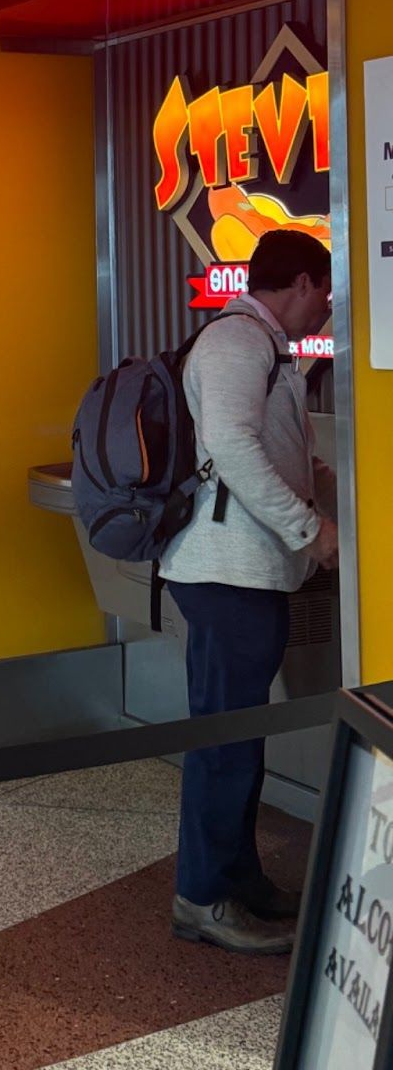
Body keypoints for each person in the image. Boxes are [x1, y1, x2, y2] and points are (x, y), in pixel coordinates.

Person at [162, 229, 338, 956]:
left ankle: (239, 879)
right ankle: (202, 898)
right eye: (323, 293)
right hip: (225, 571)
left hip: (243, 571)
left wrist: (314, 477)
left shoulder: (261, 348)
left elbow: (260, 444)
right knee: (223, 741)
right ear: (297, 283)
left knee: (236, 735)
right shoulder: (237, 343)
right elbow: (232, 448)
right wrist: (308, 528)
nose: (324, 310)